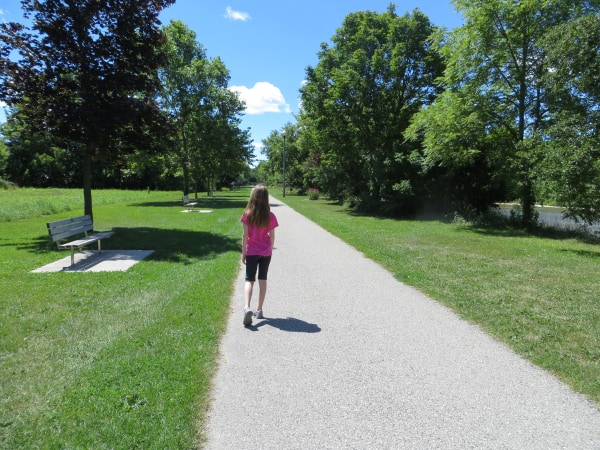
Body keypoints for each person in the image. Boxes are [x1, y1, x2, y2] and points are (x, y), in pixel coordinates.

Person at [240, 185, 279, 326]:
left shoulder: (247, 214)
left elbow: (245, 236)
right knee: (263, 279)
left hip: (251, 251)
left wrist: (243, 253)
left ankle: (247, 307)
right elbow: (272, 235)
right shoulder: (270, 215)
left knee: (249, 280)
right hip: (265, 252)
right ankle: (259, 309)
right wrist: (270, 249)